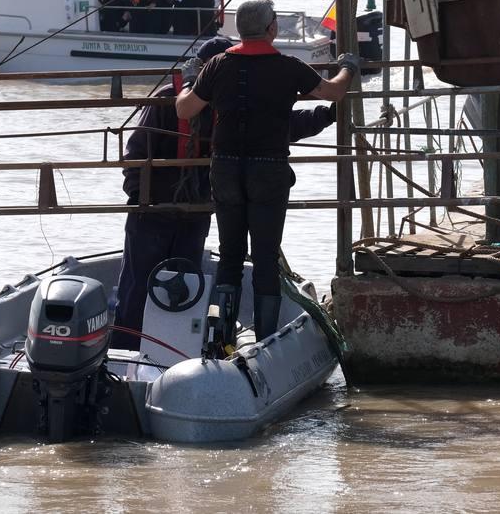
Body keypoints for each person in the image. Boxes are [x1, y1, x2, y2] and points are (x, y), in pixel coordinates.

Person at [111, 35, 340, 351]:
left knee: (184, 282)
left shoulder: (232, 106)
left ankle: (173, 350)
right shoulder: (167, 101)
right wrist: (141, 198)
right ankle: (123, 348)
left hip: (197, 211)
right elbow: (136, 153)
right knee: (139, 284)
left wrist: (327, 115)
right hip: (153, 211)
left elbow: (285, 125)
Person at [175, 0, 361, 342]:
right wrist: (348, 66)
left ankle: (222, 337)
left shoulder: (217, 64)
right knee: (264, 255)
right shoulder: (288, 66)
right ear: (272, 28)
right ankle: (265, 341)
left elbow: (185, 110)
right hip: (268, 169)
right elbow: (334, 92)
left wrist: (189, 79)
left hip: (226, 168)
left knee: (229, 254)